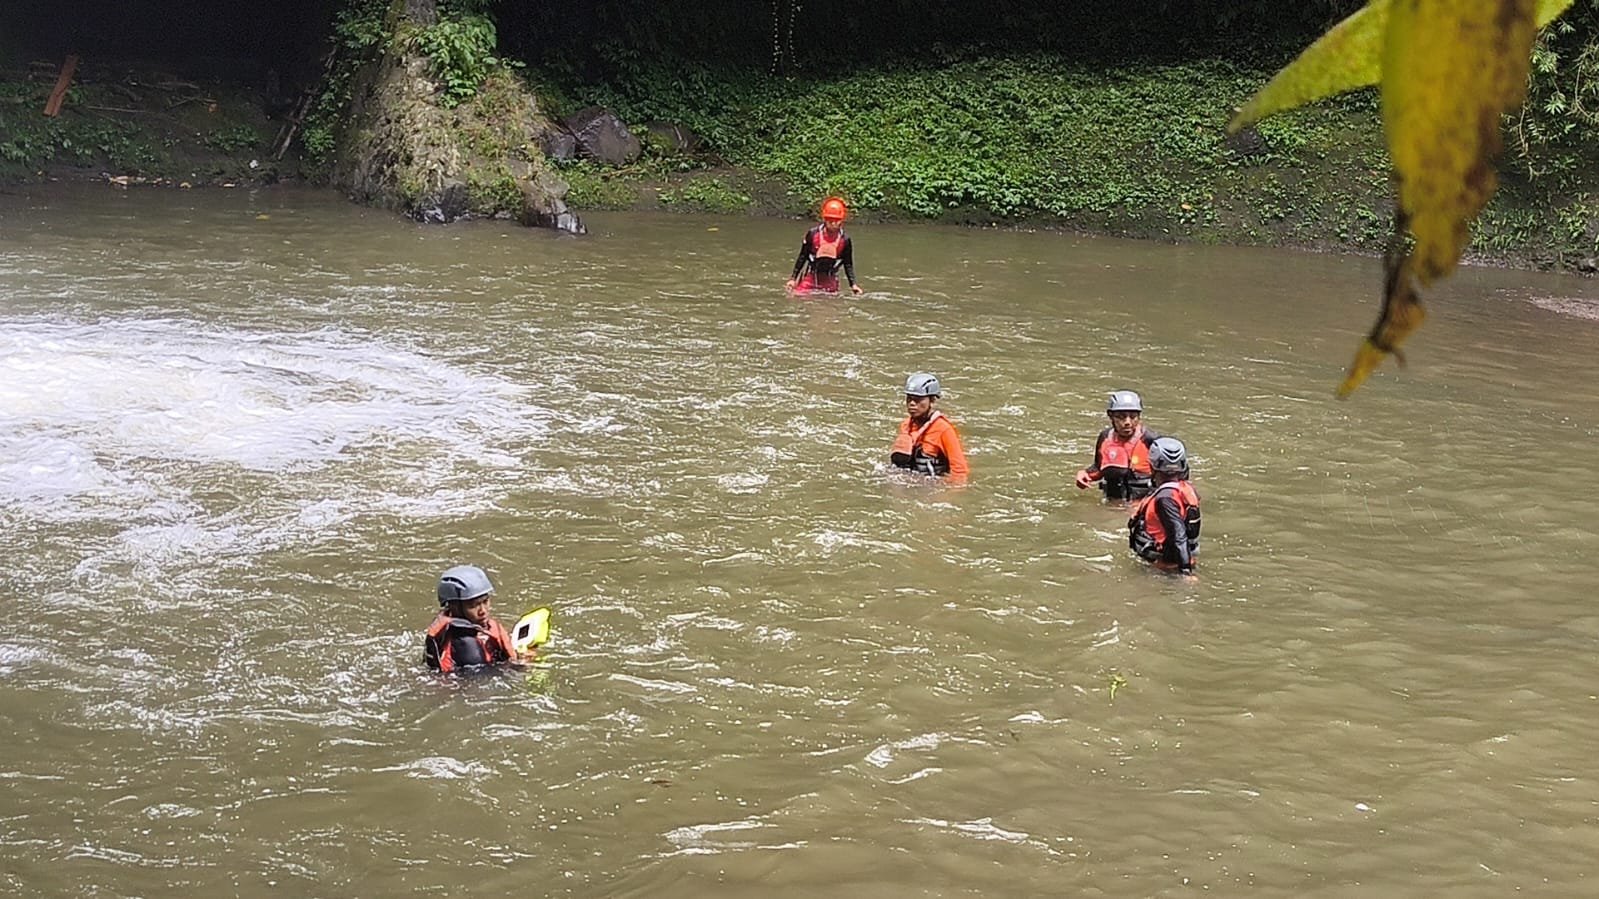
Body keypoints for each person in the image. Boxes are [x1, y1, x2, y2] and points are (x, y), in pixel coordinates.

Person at [423, 564, 523, 673]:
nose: (483, 611)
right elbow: (487, 678)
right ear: (455, 607)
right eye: (473, 606)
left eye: (485, 601)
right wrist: (522, 664)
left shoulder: (452, 628)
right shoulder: (466, 645)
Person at [1127, 437, 1200, 578]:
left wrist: (1185, 573)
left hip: (1165, 567)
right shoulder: (1183, 489)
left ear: (1152, 465)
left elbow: (1178, 535)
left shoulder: (1165, 499)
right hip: (1177, 561)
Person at [1074, 390, 1160, 502]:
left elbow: (1170, 475)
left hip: (1142, 503)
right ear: (1111, 416)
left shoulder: (1151, 440)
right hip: (1113, 501)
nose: (1127, 422)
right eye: (1121, 417)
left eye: (1133, 417)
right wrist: (1085, 474)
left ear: (1139, 417)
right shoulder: (1105, 437)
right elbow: (1099, 467)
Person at [890, 372, 969, 483]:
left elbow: (960, 471)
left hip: (933, 485)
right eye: (909, 398)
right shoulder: (906, 425)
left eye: (918, 399)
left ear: (932, 400)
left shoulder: (944, 429)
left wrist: (950, 492)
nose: (912, 403)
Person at [786, 197, 863, 295]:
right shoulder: (813, 234)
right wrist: (793, 279)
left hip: (830, 279)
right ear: (824, 219)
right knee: (796, 296)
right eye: (830, 220)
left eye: (836, 220)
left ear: (841, 220)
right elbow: (802, 256)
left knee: (829, 302)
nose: (833, 223)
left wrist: (853, 285)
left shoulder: (845, 240)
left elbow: (848, 264)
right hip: (811, 277)